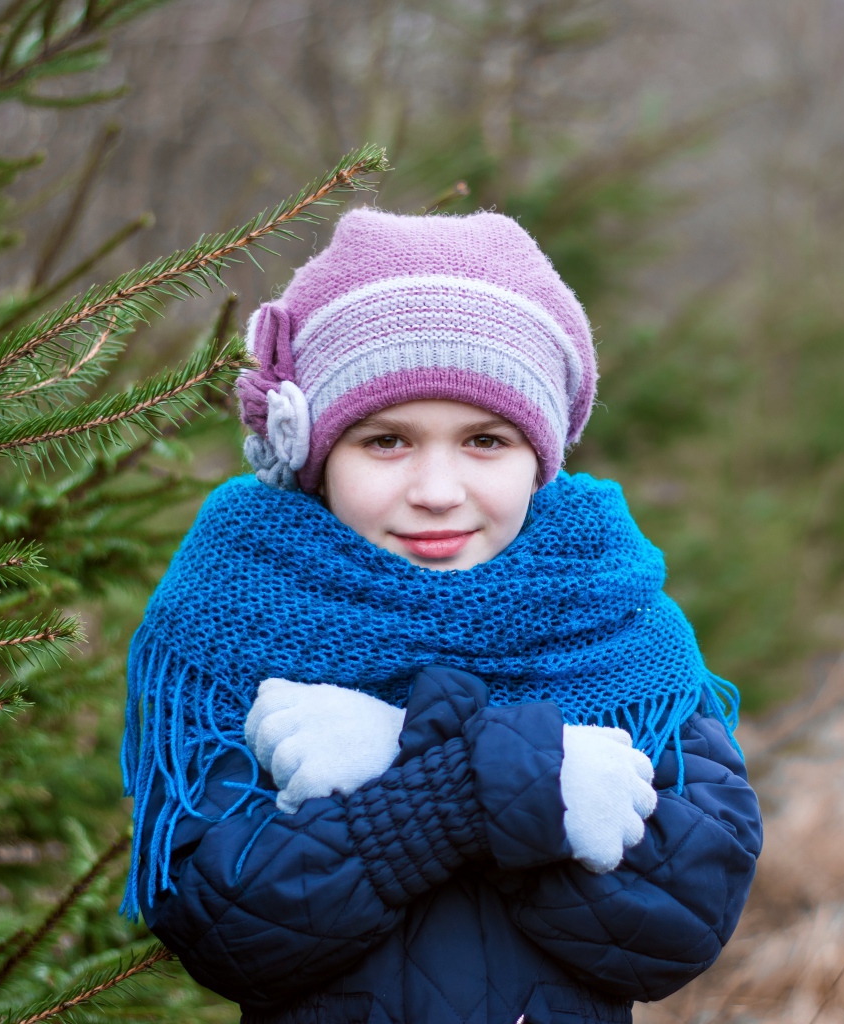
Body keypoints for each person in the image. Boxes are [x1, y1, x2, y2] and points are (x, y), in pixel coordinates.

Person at [121, 207, 763, 1024]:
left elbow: (681, 917)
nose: (435, 489)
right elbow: (223, 921)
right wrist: (499, 789)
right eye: (386, 441)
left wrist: (422, 767)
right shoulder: (234, 610)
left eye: (486, 441)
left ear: (541, 459)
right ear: (316, 454)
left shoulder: (615, 619)